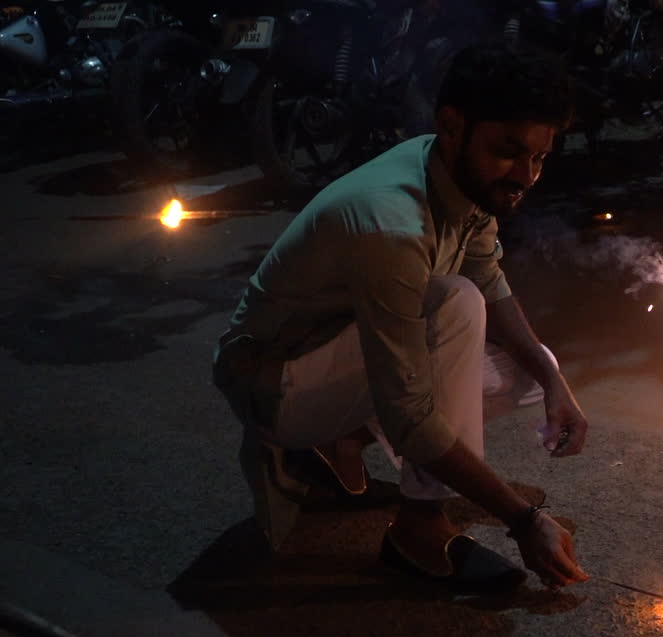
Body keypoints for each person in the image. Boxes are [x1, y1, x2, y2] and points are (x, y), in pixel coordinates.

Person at [213, 44, 591, 592]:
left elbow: (490, 276)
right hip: (272, 381)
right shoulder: (392, 223)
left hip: (335, 354)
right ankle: (420, 527)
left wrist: (556, 382)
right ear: (452, 125)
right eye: (509, 152)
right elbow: (410, 413)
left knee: (532, 371)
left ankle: (340, 442)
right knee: (455, 305)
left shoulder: (456, 173)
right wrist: (523, 520)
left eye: (539, 157)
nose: (525, 176)